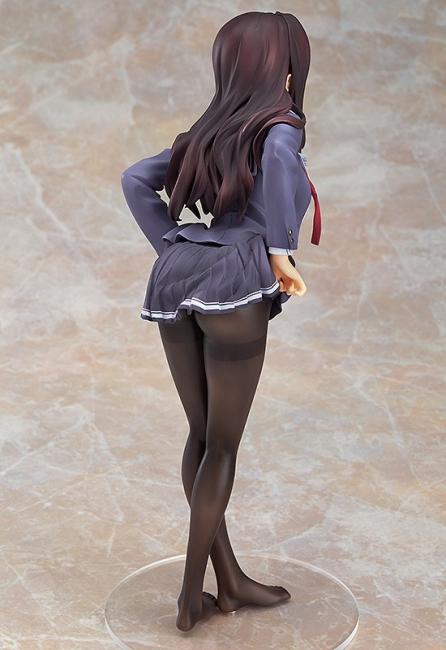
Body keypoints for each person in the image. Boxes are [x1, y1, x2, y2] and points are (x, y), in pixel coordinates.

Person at [120, 10, 322, 632]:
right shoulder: (280, 126)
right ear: (285, 69)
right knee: (223, 446)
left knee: (203, 437)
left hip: (181, 273)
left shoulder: (208, 130)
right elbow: (282, 164)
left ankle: (227, 581)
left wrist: (175, 246)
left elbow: (135, 179)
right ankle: (190, 597)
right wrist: (279, 251)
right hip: (236, 283)